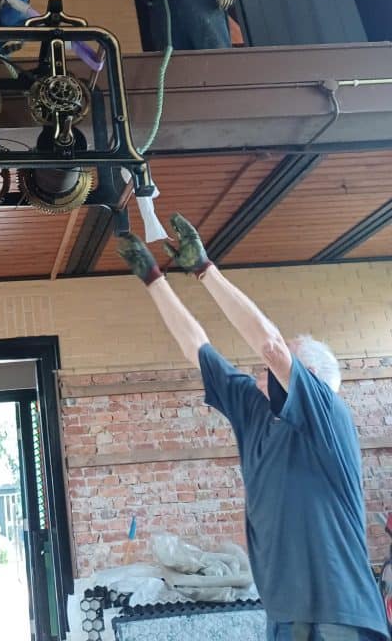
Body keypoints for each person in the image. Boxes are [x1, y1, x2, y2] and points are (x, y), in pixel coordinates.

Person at [118, 213, 389, 641]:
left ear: (313, 379)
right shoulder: (255, 414)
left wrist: (204, 270)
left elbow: (271, 345)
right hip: (283, 616)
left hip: (340, 614)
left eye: (287, 365)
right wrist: (154, 280)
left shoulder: (329, 416)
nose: (267, 370)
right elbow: (197, 347)